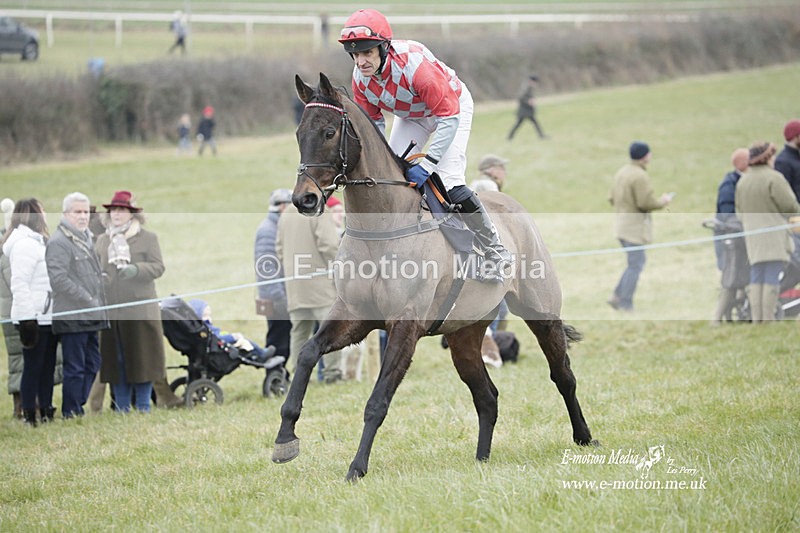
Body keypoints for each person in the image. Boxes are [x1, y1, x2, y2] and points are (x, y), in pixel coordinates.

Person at [338, 9, 512, 278]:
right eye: (355, 54)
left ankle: (495, 249)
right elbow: (375, 128)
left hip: (452, 109)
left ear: (384, 47)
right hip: (413, 116)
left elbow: (448, 117)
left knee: (449, 179)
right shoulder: (360, 80)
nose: (360, 62)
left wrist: (428, 162)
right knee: (389, 177)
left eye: (367, 53)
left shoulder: (415, 66)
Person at [95, 191, 167, 413]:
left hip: (140, 309)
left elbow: (158, 267)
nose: (116, 214)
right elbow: (97, 268)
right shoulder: (102, 240)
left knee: (142, 358)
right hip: (113, 310)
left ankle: (144, 405)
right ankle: (122, 407)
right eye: (113, 210)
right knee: (116, 360)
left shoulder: (147, 238)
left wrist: (136, 269)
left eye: (121, 210)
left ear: (131, 214)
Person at [46, 192, 109, 419]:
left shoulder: (85, 237)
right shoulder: (59, 242)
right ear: (66, 214)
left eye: (85, 212)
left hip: (91, 313)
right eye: (77, 212)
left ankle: (76, 403)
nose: (83, 216)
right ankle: (71, 412)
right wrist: (86, 297)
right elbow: (59, 279)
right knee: (75, 366)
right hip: (72, 314)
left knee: (93, 361)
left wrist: (101, 280)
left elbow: (87, 272)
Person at [2, 199, 58, 426]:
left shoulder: (37, 241)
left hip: (46, 314)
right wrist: (28, 319)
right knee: (33, 366)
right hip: (33, 316)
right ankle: (29, 414)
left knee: (48, 366)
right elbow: (20, 284)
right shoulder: (25, 244)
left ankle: (45, 409)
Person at [276, 203, 343, 383]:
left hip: (295, 285)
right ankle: (332, 375)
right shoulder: (320, 210)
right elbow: (328, 246)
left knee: (298, 332)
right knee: (331, 329)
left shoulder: (286, 213)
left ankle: (299, 376)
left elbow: (279, 249)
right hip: (320, 284)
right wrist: (341, 266)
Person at [735, 142, 800, 323]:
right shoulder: (774, 178)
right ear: (767, 158)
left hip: (752, 236)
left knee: (757, 274)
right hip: (774, 236)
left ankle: (756, 319)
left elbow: (739, 211)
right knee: (772, 275)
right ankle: (768, 318)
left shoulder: (743, 180)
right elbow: (790, 206)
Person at [607, 142, 673, 312]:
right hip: (633, 229)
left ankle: (616, 296)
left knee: (633, 263)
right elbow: (645, 202)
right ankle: (625, 302)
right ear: (645, 156)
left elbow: (611, 198)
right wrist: (663, 202)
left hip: (621, 226)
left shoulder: (622, 172)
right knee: (636, 265)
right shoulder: (640, 176)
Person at [711, 147, 749, 324]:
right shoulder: (729, 185)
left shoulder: (739, 181)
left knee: (740, 276)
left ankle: (740, 311)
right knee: (730, 278)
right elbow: (728, 215)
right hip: (730, 240)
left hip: (738, 237)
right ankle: (717, 318)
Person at [254, 189, 293, 358]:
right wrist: (280, 298)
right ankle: (275, 376)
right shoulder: (269, 231)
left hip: (281, 295)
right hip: (276, 297)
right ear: (283, 207)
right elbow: (267, 270)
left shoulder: (277, 227)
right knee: (278, 341)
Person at [187, 299, 274, 362]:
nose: (209, 318)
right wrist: (232, 336)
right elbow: (217, 338)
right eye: (205, 315)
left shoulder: (198, 328)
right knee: (244, 341)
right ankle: (261, 354)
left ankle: (256, 354)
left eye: (209, 315)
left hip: (216, 340)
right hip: (219, 345)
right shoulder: (204, 328)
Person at [508, 74, 548, 141]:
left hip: (527, 110)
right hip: (524, 110)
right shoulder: (525, 88)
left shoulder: (528, 87)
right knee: (520, 123)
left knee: (531, 123)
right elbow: (521, 98)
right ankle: (510, 136)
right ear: (531, 81)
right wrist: (529, 101)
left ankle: (510, 136)